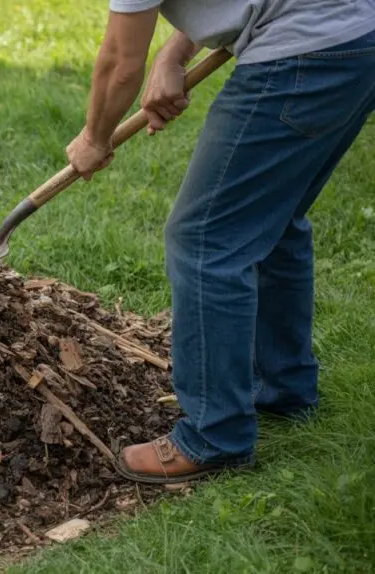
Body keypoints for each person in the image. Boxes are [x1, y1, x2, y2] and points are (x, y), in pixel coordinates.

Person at [64, 1, 375, 484]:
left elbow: (120, 64)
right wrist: (173, 53)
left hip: (304, 55)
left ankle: (214, 437)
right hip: (356, 38)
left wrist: (94, 136)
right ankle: (282, 389)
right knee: (272, 222)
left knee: (206, 240)